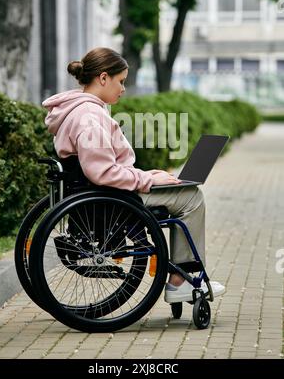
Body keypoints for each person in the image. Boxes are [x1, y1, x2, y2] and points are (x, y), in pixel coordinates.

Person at [42, 47, 225, 302]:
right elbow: (102, 172)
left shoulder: (78, 110)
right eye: (121, 81)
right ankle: (181, 280)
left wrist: (148, 175)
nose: (123, 88)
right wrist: (148, 181)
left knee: (176, 187)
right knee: (191, 197)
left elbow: (102, 166)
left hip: (105, 192)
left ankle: (181, 277)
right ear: (103, 78)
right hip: (111, 197)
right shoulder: (89, 116)